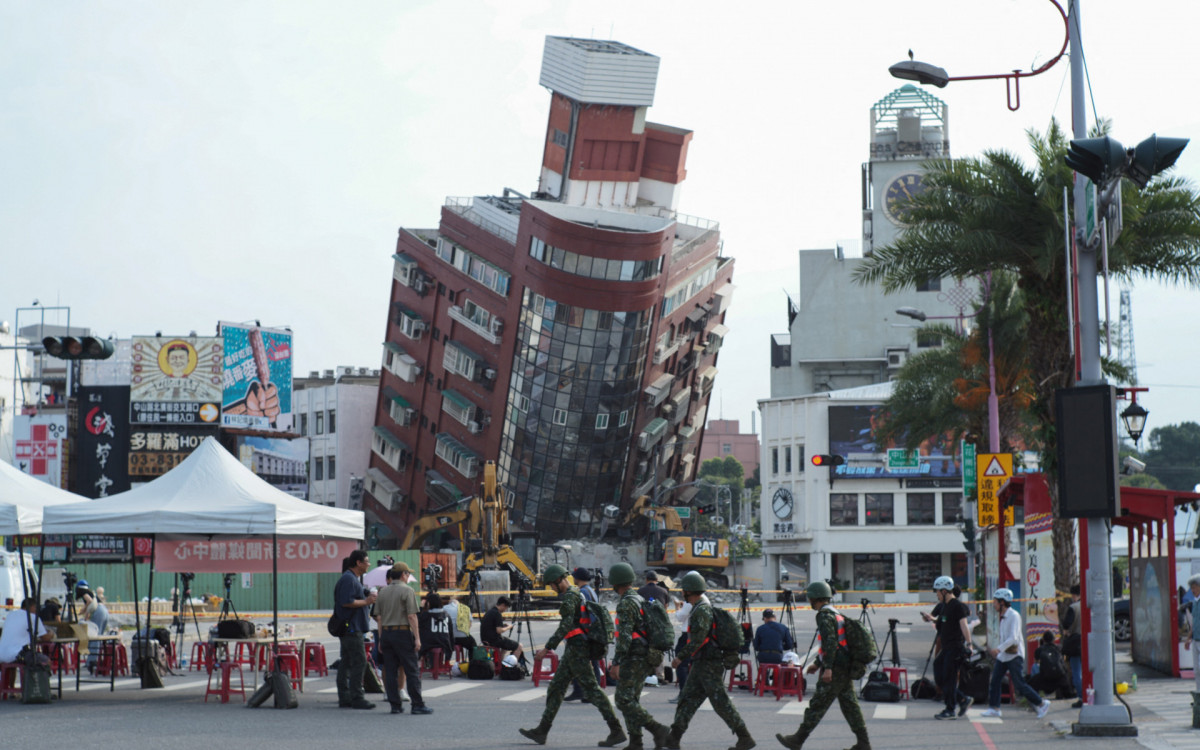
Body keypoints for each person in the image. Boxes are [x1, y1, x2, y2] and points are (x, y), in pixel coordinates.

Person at [519, 564, 625, 747]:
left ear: (559, 580)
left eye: (552, 585)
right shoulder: (577, 592)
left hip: (578, 650)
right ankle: (542, 731)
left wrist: (546, 649)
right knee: (556, 689)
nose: (552, 589)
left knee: (592, 690)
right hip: (573, 651)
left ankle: (616, 730)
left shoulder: (570, 597)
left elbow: (565, 626)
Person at [775, 581, 869, 750]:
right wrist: (817, 663)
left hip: (836, 669)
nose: (808, 600)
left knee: (818, 704)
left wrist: (827, 668)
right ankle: (864, 743)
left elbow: (831, 643)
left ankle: (797, 739)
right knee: (850, 706)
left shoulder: (824, 616)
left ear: (815, 598)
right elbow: (834, 644)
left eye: (810, 597)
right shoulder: (835, 613)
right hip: (843, 666)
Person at [666, 571, 754, 750]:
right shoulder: (698, 608)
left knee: (720, 702)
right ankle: (673, 739)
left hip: (709, 664)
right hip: (701, 663)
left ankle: (744, 737)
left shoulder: (701, 611)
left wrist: (680, 657)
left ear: (688, 591)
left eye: (684, 589)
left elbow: (698, 640)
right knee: (687, 700)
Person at [608, 562, 672, 750]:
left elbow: (625, 636)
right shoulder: (636, 598)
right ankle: (636, 741)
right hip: (644, 655)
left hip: (635, 657)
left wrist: (616, 662)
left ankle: (658, 729)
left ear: (615, 582)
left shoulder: (626, 603)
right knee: (632, 699)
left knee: (622, 699)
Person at [979, 589, 1050, 719]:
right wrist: (1000, 652)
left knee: (1019, 684)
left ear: (1002, 602)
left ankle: (1042, 703)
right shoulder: (1003, 618)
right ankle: (994, 708)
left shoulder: (1014, 616)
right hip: (1004, 656)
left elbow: (1013, 638)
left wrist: (998, 649)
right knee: (995, 681)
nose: (993, 605)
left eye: (995, 602)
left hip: (1014, 656)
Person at [376, 564, 433, 715]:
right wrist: (418, 638)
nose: (408, 577)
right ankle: (417, 704)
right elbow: (412, 616)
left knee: (390, 671)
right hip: (402, 633)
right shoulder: (407, 590)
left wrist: (381, 639)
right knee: (411, 669)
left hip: (387, 634)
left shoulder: (382, 591)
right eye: (408, 574)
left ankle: (395, 705)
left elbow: (379, 618)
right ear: (403, 574)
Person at [334, 550, 378, 709]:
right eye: (367, 561)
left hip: (352, 628)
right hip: (352, 629)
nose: (369, 564)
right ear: (358, 563)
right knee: (359, 662)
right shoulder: (348, 579)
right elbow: (347, 602)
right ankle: (357, 697)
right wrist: (366, 601)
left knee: (346, 662)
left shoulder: (353, 579)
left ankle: (345, 697)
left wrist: (367, 595)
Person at [931, 576, 973, 720]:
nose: (936, 594)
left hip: (955, 647)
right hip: (946, 647)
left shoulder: (957, 606)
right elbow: (942, 622)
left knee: (949, 678)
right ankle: (962, 699)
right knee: (939, 671)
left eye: (937, 592)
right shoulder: (945, 606)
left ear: (944, 591)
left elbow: (964, 625)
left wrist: (969, 644)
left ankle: (950, 710)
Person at [564, 567, 604, 702]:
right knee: (592, 662)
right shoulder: (591, 591)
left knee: (580, 661)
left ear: (578, 578)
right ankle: (586, 692)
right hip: (592, 631)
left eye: (574, 576)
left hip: (585, 632)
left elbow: (585, 613)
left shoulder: (582, 593)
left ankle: (582, 691)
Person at [0, 597, 54, 665]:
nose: (36, 610)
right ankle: (33, 676)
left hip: (1, 653)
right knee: (46, 661)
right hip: (17, 654)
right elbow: (46, 638)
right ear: (32, 607)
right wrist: (51, 632)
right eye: (36, 608)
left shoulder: (10, 615)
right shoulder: (33, 617)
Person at [75, 579, 110, 672]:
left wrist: (85, 611)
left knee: (94, 637)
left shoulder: (83, 592)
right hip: (104, 611)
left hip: (98, 612)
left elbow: (89, 601)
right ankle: (98, 660)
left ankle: (92, 661)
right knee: (99, 636)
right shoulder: (91, 592)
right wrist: (85, 611)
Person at [1027, 632, 1073, 699]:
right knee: (1065, 675)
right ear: (1053, 639)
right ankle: (1067, 695)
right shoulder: (1059, 647)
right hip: (1060, 677)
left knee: (1034, 670)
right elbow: (1064, 658)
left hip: (1045, 677)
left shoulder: (1039, 649)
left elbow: (1036, 661)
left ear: (1043, 639)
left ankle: (1035, 698)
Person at [482, 596, 525, 664]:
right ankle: (511, 667)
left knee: (505, 644)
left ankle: (500, 663)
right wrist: (509, 627)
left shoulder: (490, 612)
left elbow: (492, 626)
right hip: (494, 640)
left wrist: (503, 625)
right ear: (503, 605)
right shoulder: (497, 614)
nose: (505, 610)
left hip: (485, 639)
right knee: (519, 646)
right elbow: (499, 630)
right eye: (506, 608)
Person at [1062, 584, 1084, 707]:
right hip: (1090, 642)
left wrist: (1066, 631)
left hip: (1076, 642)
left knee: (1077, 671)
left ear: (1075, 595)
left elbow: (1066, 624)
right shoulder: (1089, 605)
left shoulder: (1073, 607)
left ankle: (1081, 697)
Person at [418, 592, 454, 660]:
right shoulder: (447, 615)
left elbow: (417, 620)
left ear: (428, 603)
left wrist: (421, 608)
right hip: (445, 644)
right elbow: (451, 634)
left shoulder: (426, 615)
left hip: (428, 644)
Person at [1184, 574, 1200, 692]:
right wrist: (1188, 638)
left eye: (1195, 587)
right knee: (1197, 669)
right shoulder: (1195, 602)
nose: (1193, 590)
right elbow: (1194, 622)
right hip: (1195, 639)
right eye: (1192, 588)